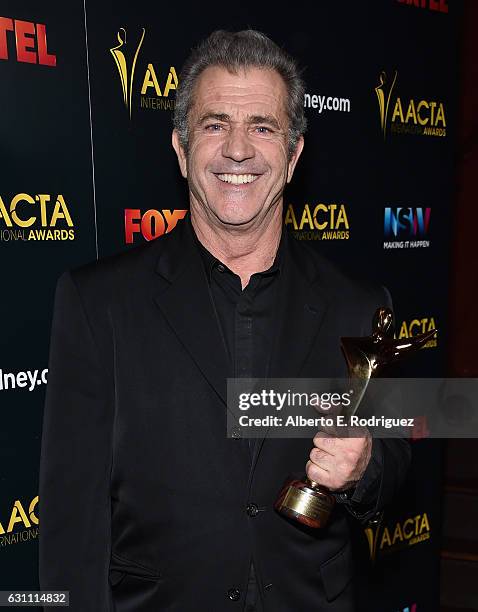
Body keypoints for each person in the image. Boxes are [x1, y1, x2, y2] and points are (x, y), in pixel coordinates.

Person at [39, 29, 410, 611]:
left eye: (262, 127)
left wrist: (365, 466)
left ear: (292, 156)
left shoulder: (358, 305)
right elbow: (68, 525)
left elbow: (394, 462)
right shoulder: (97, 303)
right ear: (182, 150)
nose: (238, 149)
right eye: (215, 125)